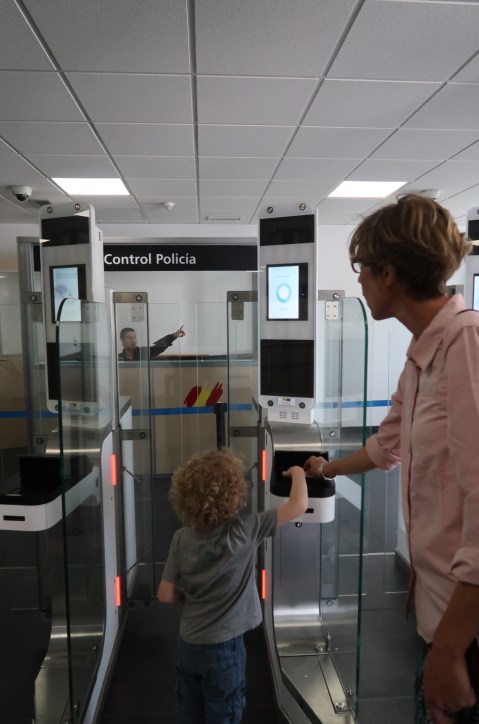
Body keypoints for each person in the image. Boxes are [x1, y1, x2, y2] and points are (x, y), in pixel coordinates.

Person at [304, 194, 479, 724]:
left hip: (465, 635)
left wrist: (449, 651)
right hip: (439, 616)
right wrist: (325, 469)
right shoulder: (423, 352)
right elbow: (388, 444)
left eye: (361, 267)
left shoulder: (466, 343)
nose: (358, 279)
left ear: (389, 273)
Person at [157, 447, 308, 724]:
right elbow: (298, 505)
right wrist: (298, 472)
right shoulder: (245, 530)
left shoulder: (180, 538)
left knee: (188, 711)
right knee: (223, 712)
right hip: (225, 649)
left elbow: (165, 595)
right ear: (234, 495)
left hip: (189, 644)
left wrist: (194, 594)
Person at [117, 324, 185, 360]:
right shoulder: (119, 358)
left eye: (134, 337)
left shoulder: (143, 352)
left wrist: (173, 336)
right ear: (122, 340)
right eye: (129, 338)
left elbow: (158, 348)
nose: (133, 340)